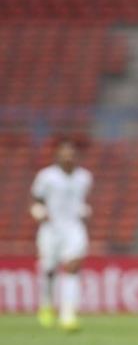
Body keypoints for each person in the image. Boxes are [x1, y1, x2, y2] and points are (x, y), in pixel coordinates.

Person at [30, 139, 92, 331]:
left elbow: (81, 201)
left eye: (72, 154)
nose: (68, 157)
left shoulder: (85, 177)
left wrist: (83, 210)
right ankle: (47, 305)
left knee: (73, 267)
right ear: (57, 156)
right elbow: (36, 200)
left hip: (74, 228)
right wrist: (38, 212)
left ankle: (68, 315)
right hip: (51, 229)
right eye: (65, 154)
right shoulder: (46, 177)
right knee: (49, 270)